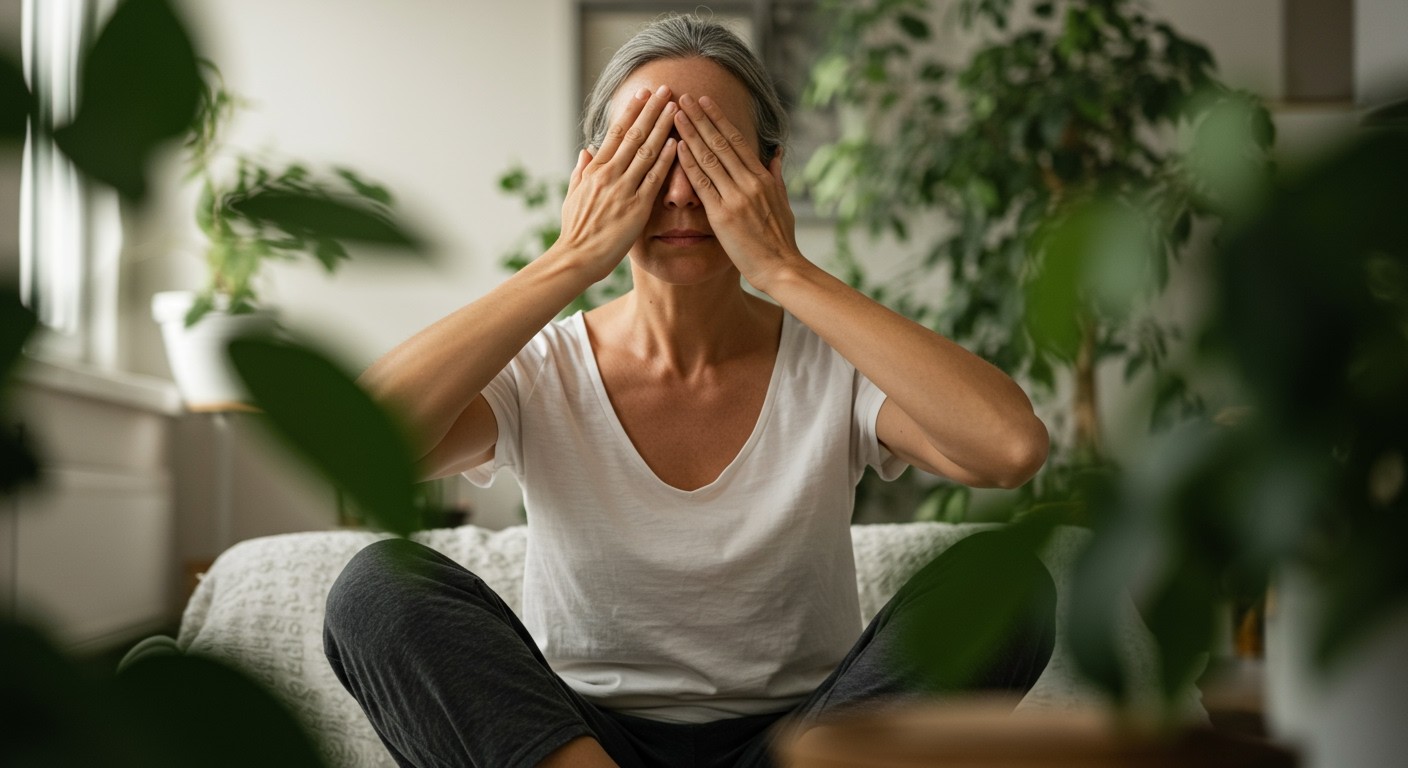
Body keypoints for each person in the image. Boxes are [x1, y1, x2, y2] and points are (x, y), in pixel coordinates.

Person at [324, 15, 1054, 768]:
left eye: (712, 157)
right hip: (580, 747)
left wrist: (785, 270)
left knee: (1009, 589)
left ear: (770, 174)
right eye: (647, 154)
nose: (679, 192)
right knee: (374, 590)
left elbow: (1009, 448)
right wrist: (569, 260)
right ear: (595, 177)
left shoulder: (834, 363)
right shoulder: (541, 368)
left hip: (807, 746)